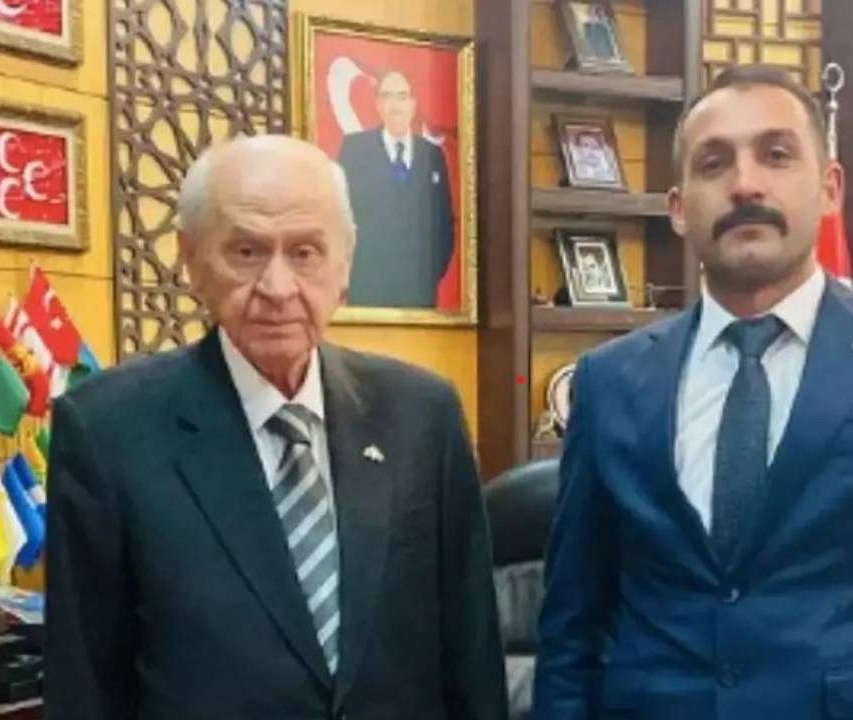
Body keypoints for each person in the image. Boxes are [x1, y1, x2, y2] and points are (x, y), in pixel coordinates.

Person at [532, 64, 853, 719]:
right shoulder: (609, 382)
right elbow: (571, 631)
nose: (745, 183)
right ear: (678, 208)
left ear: (830, 188)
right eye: (713, 164)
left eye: (777, 155)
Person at [46, 135, 507, 720]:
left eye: (306, 252)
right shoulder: (106, 430)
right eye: (246, 251)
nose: (278, 288)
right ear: (191, 259)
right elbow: (84, 685)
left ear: (345, 263)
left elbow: (471, 657)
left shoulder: (422, 415)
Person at [337, 70, 455, 309]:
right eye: (387, 96)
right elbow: (339, 215)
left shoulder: (432, 155)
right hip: (367, 289)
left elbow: (444, 225)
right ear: (378, 104)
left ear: (413, 104)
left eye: (402, 96)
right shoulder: (355, 149)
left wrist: (428, 274)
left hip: (418, 292)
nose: (395, 105)